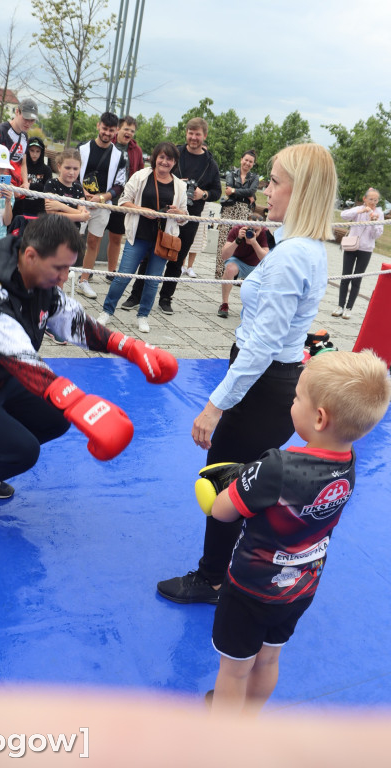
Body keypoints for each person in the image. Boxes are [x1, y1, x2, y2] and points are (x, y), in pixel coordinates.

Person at [156, 142, 338, 605]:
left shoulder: (292, 255)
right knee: (244, 485)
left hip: (262, 383)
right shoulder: (305, 248)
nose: (266, 191)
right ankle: (236, 570)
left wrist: (215, 406)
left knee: (224, 482)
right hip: (275, 381)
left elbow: (260, 347)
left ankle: (212, 579)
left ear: (300, 191)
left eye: (275, 182)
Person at [0, 215, 178, 525]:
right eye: (59, 268)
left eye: (68, 268)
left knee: (54, 419)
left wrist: (129, 346)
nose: (64, 278)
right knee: (22, 451)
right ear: (30, 255)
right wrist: (75, 399)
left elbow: (75, 322)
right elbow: (14, 352)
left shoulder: (38, 278)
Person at [205, 349, 390, 715]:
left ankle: (224, 735)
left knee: (235, 670)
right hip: (302, 585)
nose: (292, 402)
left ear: (319, 418)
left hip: (251, 588)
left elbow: (222, 511)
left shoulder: (277, 467)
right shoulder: (349, 461)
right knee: (269, 659)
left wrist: (234, 484)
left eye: (297, 398)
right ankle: (248, 720)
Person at [121, 117, 221, 315]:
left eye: (198, 134)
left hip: (190, 216)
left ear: (204, 135)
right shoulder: (175, 153)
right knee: (150, 255)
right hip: (161, 214)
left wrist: (203, 194)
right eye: (190, 133)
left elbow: (217, 192)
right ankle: (136, 295)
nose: (193, 137)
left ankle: (166, 298)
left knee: (177, 258)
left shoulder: (211, 164)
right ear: (186, 133)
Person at [96, 142, 187, 333]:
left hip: (163, 239)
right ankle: (107, 311)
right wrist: (142, 210)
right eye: (161, 157)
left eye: (169, 159)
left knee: (153, 281)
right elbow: (123, 202)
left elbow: (184, 218)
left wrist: (178, 213)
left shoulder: (180, 185)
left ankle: (143, 315)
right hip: (137, 235)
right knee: (123, 276)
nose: (165, 162)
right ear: (155, 158)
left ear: (175, 162)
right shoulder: (140, 176)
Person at [75, 112, 126, 299]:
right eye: (104, 129)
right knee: (72, 238)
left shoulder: (120, 156)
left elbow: (120, 185)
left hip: (103, 205)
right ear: (98, 126)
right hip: (79, 201)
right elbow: (71, 171)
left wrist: (102, 198)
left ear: (116, 131)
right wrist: (82, 192)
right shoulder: (82, 148)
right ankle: (62, 275)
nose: (107, 133)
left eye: (111, 130)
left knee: (93, 242)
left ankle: (84, 280)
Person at [332, 188, 384, 320]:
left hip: (366, 249)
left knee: (357, 278)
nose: (373, 202)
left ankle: (349, 308)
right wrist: (360, 211)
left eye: (375, 200)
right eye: (370, 199)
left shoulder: (379, 213)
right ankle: (340, 306)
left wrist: (374, 222)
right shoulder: (358, 209)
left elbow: (377, 235)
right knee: (345, 276)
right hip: (351, 245)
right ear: (364, 199)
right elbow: (344, 215)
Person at [105, 116, 145, 280]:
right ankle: (87, 270)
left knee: (116, 237)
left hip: (123, 200)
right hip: (104, 196)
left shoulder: (136, 150)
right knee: (94, 237)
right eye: (126, 129)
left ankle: (111, 271)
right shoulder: (109, 144)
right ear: (118, 129)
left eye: (132, 131)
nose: (129, 133)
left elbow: (140, 172)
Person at [215, 150, 259, 279]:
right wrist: (245, 193)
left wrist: (235, 191)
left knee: (241, 240)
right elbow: (229, 189)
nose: (247, 163)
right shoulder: (231, 174)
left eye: (251, 161)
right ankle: (220, 272)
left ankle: (235, 274)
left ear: (253, 164)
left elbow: (251, 191)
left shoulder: (254, 177)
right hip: (229, 209)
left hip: (244, 211)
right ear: (241, 160)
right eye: (246, 160)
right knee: (224, 239)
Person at [217, 215, 269, 318]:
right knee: (229, 269)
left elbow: (266, 259)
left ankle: (259, 308)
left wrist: (254, 242)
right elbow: (224, 256)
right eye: (250, 229)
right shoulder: (237, 229)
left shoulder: (265, 232)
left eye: (256, 230)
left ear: (261, 227)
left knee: (269, 275)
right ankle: (224, 304)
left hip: (257, 265)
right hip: (237, 261)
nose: (252, 233)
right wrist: (237, 240)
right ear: (245, 225)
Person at [0, 98, 38, 193]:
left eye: (32, 120)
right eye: (25, 118)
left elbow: (23, 163)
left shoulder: (25, 136)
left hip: (14, 189)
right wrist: (7, 185)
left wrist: (25, 182)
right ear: (17, 112)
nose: (28, 123)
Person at [43, 148, 91, 229]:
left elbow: (83, 211)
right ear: (59, 167)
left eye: (75, 169)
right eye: (68, 168)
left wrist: (61, 206)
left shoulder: (79, 188)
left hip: (73, 231)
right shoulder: (51, 183)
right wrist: (80, 217)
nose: (71, 172)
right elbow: (51, 213)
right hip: (53, 230)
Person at [13, 136, 53, 218]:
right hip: (20, 208)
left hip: (38, 211)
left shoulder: (47, 170)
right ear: (27, 150)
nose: (35, 154)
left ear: (41, 152)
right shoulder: (21, 167)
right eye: (32, 150)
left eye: (38, 151)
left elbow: (47, 188)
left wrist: (29, 185)